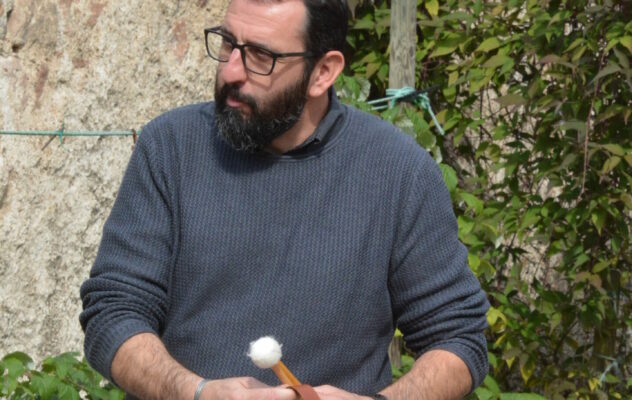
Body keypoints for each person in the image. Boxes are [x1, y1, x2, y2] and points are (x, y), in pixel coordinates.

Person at [79, 0, 489, 399]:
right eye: (227, 43)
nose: (232, 71)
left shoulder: (399, 172)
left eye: (261, 55)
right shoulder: (171, 148)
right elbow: (113, 313)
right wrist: (194, 391)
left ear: (322, 72)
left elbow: (458, 339)